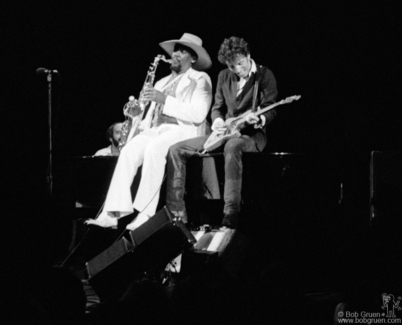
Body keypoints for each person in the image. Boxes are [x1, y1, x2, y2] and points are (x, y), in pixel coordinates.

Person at [86, 33, 212, 229]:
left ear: (193, 58)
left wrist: (164, 100)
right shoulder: (161, 82)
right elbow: (147, 122)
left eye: (182, 50)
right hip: (157, 129)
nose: (176, 54)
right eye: (175, 49)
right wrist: (136, 116)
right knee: (128, 151)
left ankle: (145, 213)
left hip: (183, 131)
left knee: (154, 149)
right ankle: (112, 214)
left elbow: (198, 113)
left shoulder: (200, 78)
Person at [165, 36, 278, 229]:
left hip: (250, 136)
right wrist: (217, 122)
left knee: (233, 146)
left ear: (248, 55)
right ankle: (177, 215)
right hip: (224, 133)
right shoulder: (224, 76)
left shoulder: (264, 75)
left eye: (240, 64)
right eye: (232, 66)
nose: (237, 70)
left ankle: (231, 213)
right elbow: (217, 108)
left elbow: (271, 108)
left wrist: (259, 119)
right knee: (176, 149)